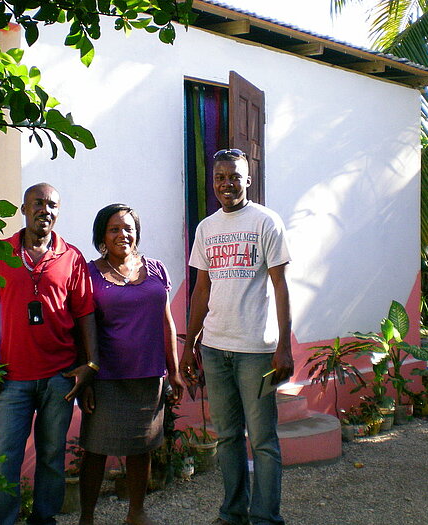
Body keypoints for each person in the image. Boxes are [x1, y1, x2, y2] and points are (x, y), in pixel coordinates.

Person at [0, 183, 99, 525]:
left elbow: (85, 313)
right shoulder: (0, 254)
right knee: (4, 457)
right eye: (38, 203)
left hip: (59, 377)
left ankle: (44, 518)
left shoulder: (71, 258)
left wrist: (91, 364)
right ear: (23, 209)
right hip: (11, 379)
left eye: (53, 205)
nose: (46, 210)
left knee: (52, 456)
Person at [180, 149, 294, 525]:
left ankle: (265, 517)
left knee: (262, 441)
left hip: (256, 352)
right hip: (214, 349)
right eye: (220, 177)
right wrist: (190, 344)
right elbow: (200, 289)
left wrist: (284, 346)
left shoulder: (266, 221)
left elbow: (280, 285)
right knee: (228, 437)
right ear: (213, 182)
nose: (226, 184)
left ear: (248, 179)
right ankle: (232, 513)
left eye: (234, 176)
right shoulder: (206, 228)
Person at [77, 203, 183, 525]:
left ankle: (136, 513)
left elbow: (167, 323)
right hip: (106, 378)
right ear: (102, 236)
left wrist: (175, 372)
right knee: (95, 450)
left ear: (136, 233)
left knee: (142, 448)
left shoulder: (156, 270)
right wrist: (86, 378)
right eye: (114, 229)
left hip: (149, 377)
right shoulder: (89, 273)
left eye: (128, 228)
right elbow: (82, 326)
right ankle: (87, 517)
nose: (122, 234)